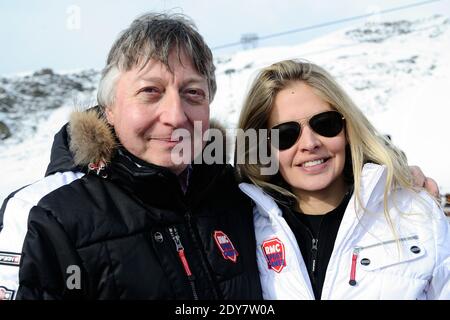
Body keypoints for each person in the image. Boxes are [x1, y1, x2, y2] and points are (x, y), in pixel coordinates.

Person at [0, 13, 262, 300]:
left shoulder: (239, 194)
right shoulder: (44, 216)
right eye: (150, 91)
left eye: (193, 92)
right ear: (109, 107)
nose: (175, 116)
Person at [236, 59, 450, 299]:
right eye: (286, 134)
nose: (310, 144)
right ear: (262, 145)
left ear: (348, 129)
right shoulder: (242, 228)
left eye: (325, 124)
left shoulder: (415, 212)